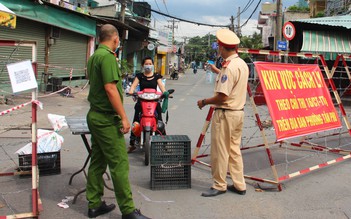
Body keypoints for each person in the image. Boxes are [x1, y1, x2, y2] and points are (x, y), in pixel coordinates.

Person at [86, 24, 150, 219]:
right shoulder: (107, 57)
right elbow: (111, 89)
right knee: (119, 164)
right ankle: (128, 210)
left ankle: (94, 204)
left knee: (98, 161)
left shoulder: (95, 55)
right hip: (106, 119)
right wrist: (123, 116)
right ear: (115, 39)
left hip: (95, 116)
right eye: (119, 40)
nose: (119, 43)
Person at [197, 28, 249, 197]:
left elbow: (222, 97)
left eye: (219, 47)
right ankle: (240, 184)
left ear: (222, 47)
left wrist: (204, 102)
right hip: (238, 113)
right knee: (234, 149)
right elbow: (232, 82)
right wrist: (218, 71)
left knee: (220, 150)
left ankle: (219, 184)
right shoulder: (241, 64)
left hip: (225, 114)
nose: (218, 50)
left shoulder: (228, 67)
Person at [127, 56, 166, 153]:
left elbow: (161, 86)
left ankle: (164, 143)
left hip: (154, 102)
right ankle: (132, 143)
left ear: (153, 65)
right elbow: (133, 86)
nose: (148, 65)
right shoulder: (139, 76)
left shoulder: (157, 76)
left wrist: (165, 93)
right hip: (141, 102)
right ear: (143, 65)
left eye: (150, 64)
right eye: (146, 64)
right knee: (136, 121)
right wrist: (131, 92)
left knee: (160, 121)